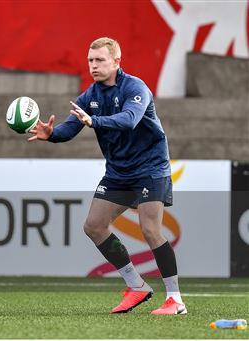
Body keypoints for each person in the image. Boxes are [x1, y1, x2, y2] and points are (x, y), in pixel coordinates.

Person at [29, 37, 186, 315]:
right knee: (94, 226)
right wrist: (51, 134)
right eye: (90, 60)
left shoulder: (136, 87)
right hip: (118, 173)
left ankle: (175, 300)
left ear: (116, 62)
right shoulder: (90, 96)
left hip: (150, 168)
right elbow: (69, 128)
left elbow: (129, 120)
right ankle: (136, 286)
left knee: (150, 230)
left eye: (99, 60)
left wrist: (95, 121)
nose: (93, 65)